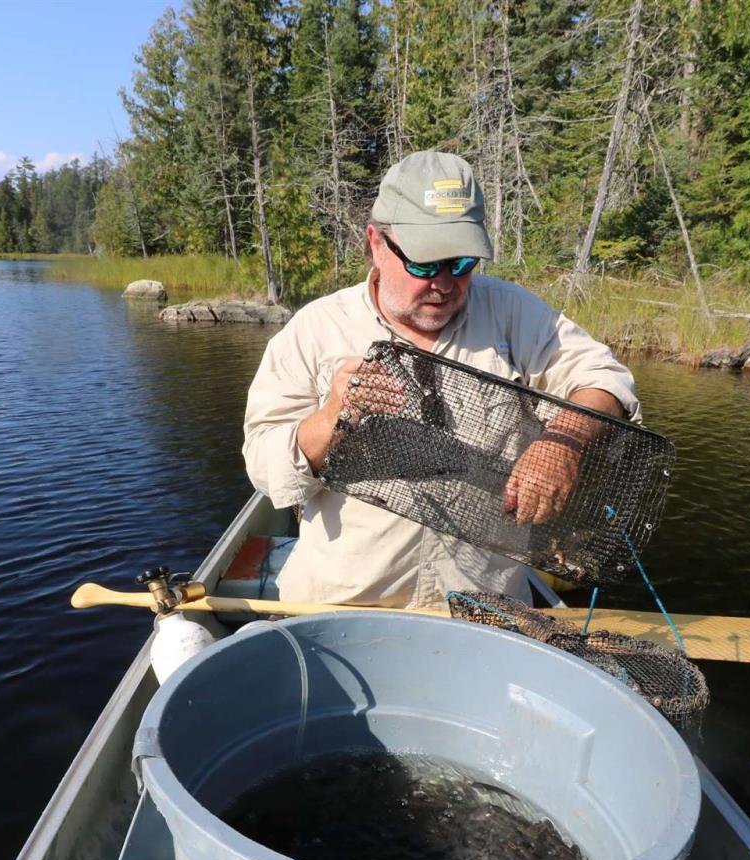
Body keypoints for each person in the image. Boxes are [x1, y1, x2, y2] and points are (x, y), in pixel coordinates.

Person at [242, 150, 639, 608]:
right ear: (375, 243)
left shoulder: (511, 312)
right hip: (344, 604)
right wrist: (332, 418)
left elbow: (605, 378)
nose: (445, 284)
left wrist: (562, 441)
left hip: (486, 606)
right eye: (425, 265)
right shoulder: (315, 329)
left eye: (462, 263)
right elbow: (264, 467)